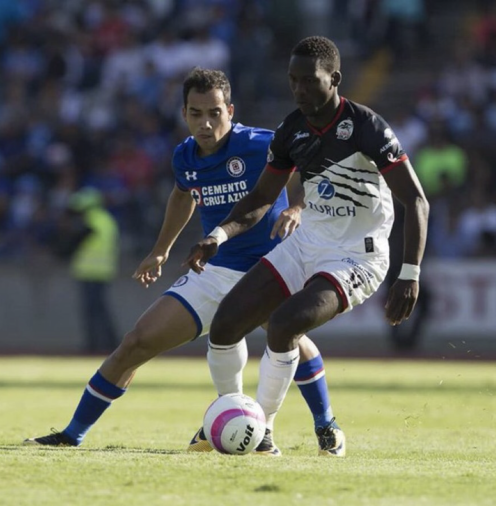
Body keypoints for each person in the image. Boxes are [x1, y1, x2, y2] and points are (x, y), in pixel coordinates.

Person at [25, 68, 342, 457]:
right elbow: (183, 194)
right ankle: (72, 434)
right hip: (216, 268)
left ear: (230, 111)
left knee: (285, 334)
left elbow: (321, 169)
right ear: (184, 114)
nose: (205, 123)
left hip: (270, 268)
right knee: (137, 342)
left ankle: (325, 425)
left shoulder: (261, 144)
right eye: (196, 113)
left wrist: (297, 207)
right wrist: (161, 249)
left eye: (214, 113)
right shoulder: (185, 155)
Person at [183, 36, 430, 456]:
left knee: (284, 324)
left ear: (334, 79)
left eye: (309, 80)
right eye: (293, 80)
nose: (299, 89)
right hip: (307, 243)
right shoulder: (291, 130)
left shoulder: (366, 127)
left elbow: (416, 200)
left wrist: (409, 274)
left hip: (358, 256)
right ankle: (232, 416)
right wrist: (218, 235)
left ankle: (261, 431)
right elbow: (262, 197)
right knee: (225, 324)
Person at [66, 187, 121, 353]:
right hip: (104, 271)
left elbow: (73, 242)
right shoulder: (107, 220)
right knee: (101, 310)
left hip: (89, 272)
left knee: (92, 311)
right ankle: (111, 343)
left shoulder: (91, 220)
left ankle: (93, 345)